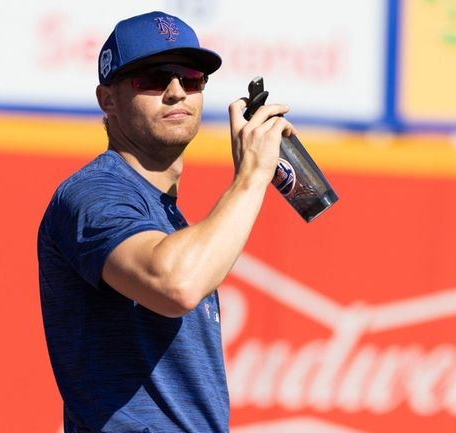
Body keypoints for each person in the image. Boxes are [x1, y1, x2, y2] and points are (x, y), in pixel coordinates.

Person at [37, 10, 296, 433]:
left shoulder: (168, 215)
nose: (176, 92)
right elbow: (175, 285)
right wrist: (250, 177)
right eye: (151, 78)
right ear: (108, 99)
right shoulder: (94, 193)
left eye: (191, 77)